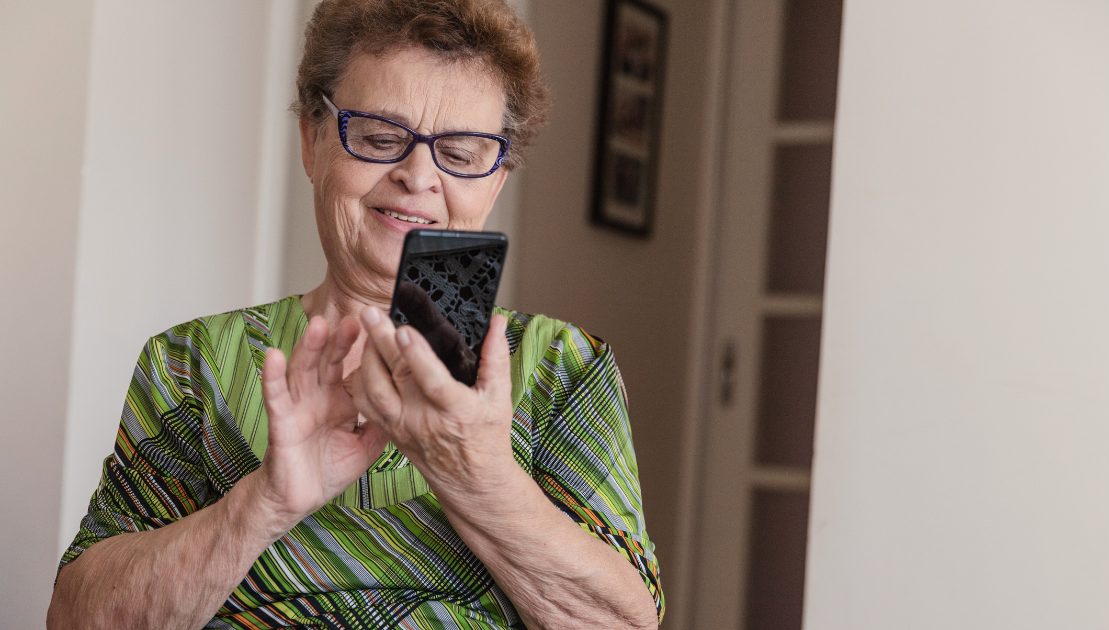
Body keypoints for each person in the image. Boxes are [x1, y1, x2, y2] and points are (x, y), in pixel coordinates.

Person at [46, 0, 663, 627]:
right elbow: (74, 620)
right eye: (379, 137)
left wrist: (476, 477)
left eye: (463, 151)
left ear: (495, 180)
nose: (418, 176)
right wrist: (263, 502)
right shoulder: (190, 363)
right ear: (313, 142)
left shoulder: (562, 368)